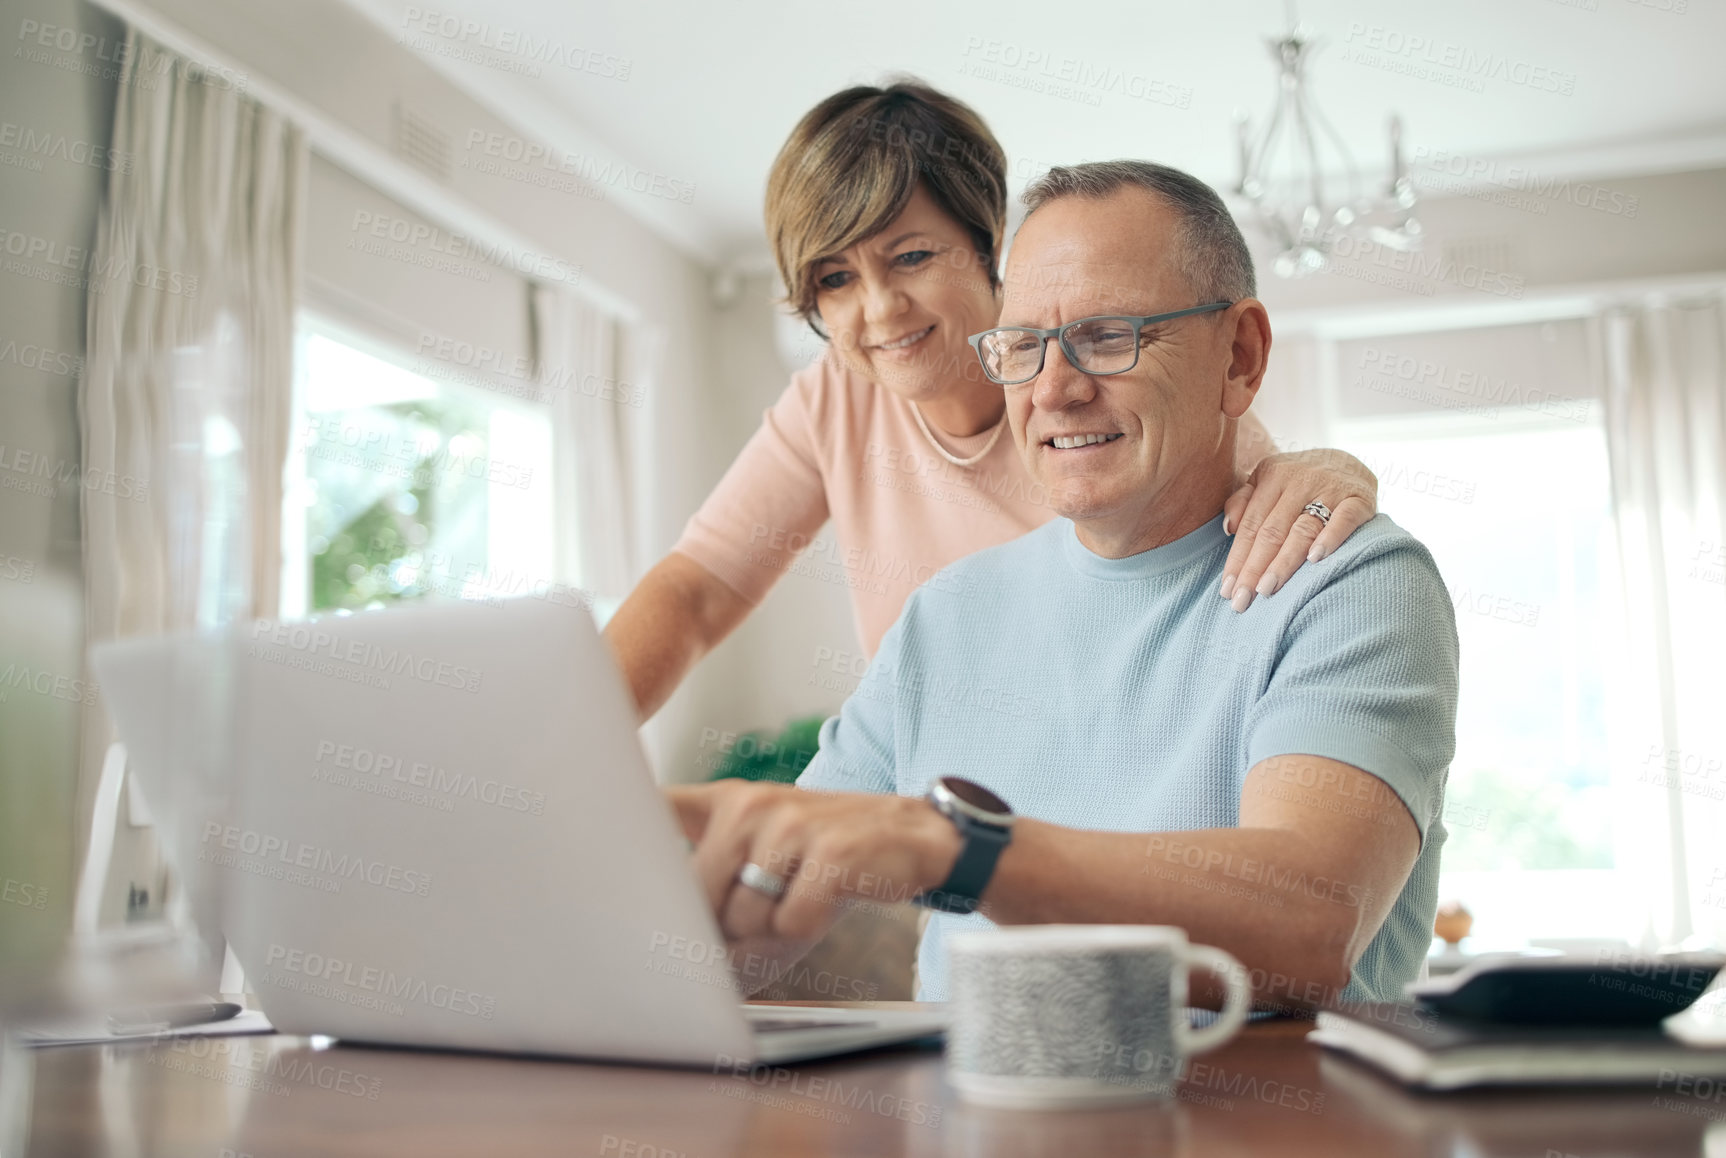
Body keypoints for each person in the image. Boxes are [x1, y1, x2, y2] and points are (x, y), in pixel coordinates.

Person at [668, 160, 1460, 1011]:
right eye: (1023, 348)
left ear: (1240, 354)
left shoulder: (1349, 582)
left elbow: (1309, 925)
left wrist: (960, 849)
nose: (1054, 390)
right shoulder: (944, 615)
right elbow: (762, 911)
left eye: (1108, 336)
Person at [604, 80, 1379, 722]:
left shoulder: (1091, 390)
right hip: (945, 834)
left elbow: (1272, 484)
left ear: (988, 242)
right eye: (835, 280)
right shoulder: (833, 399)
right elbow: (697, 592)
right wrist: (570, 746)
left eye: (910, 257)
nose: (879, 311)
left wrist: (1331, 468)